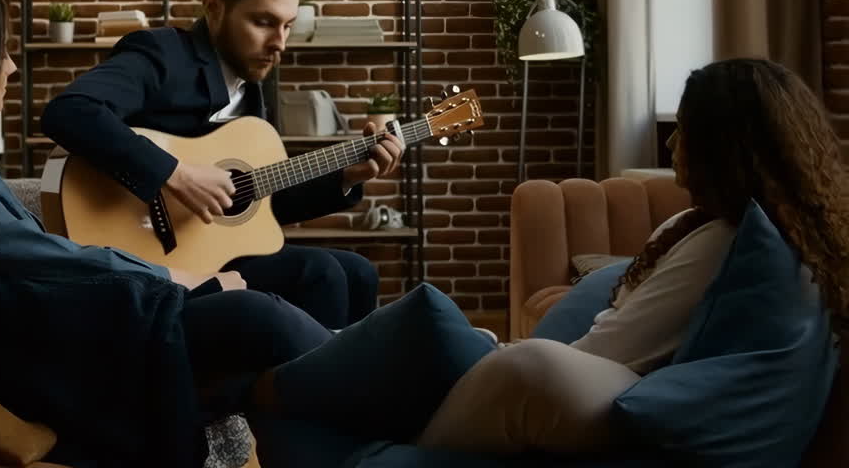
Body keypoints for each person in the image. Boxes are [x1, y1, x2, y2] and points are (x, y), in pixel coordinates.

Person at [0, 0, 336, 465]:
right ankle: (368, 376)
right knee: (257, 314)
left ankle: (354, 411)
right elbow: (38, 256)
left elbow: (31, 252)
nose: (11, 67)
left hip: (56, 319)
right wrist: (180, 279)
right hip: (39, 347)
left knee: (292, 306)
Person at [242, 57, 849, 466]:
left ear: (724, 149)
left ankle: (262, 393)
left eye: (684, 131)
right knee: (380, 329)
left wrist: (497, 358)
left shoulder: (720, 244)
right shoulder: (703, 227)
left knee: (305, 323)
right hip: (547, 379)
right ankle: (275, 387)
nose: (670, 144)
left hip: (564, 388)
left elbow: (610, 351)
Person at [40, 0, 403, 329]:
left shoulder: (251, 91)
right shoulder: (163, 54)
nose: (279, 43)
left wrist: (347, 177)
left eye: (287, 26)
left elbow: (257, 205)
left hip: (210, 251)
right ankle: (311, 372)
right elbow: (70, 110)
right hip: (145, 259)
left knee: (359, 271)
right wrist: (175, 174)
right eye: (263, 22)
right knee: (320, 272)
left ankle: (354, 368)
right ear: (213, 7)